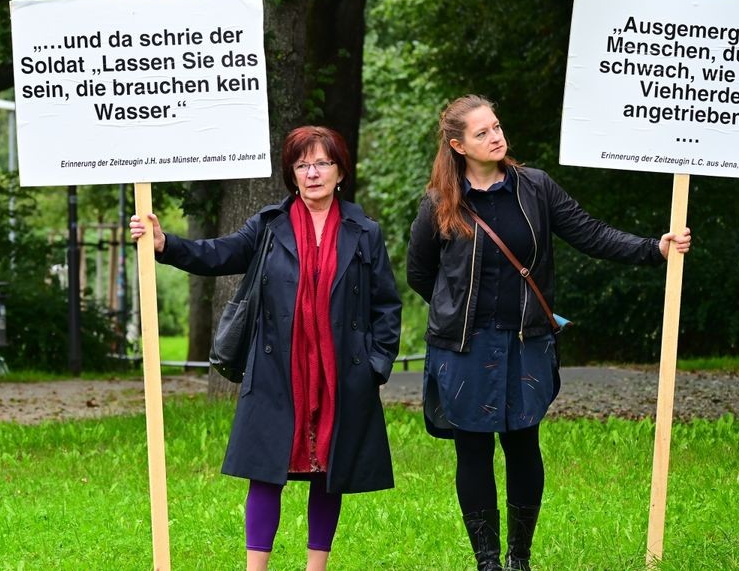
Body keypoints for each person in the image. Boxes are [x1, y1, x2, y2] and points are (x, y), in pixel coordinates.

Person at [406, 95, 692, 571]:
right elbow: (421, 273)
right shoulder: (439, 202)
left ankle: (520, 557)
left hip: (525, 343)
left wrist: (652, 249)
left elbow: (589, 233)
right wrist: (457, 311)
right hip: (463, 349)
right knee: (472, 450)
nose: (496, 136)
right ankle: (487, 562)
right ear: (458, 145)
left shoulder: (534, 187)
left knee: (523, 445)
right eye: (482, 132)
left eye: (496, 126)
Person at [131, 126, 402, 571]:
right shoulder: (270, 224)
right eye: (302, 164)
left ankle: (317, 568)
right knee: (264, 472)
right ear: (291, 174)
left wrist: (375, 365)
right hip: (278, 370)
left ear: (340, 171)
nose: (312, 173)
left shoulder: (364, 231)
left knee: (328, 474)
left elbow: (386, 306)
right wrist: (165, 244)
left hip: (340, 373)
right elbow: (219, 254)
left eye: (322, 163)